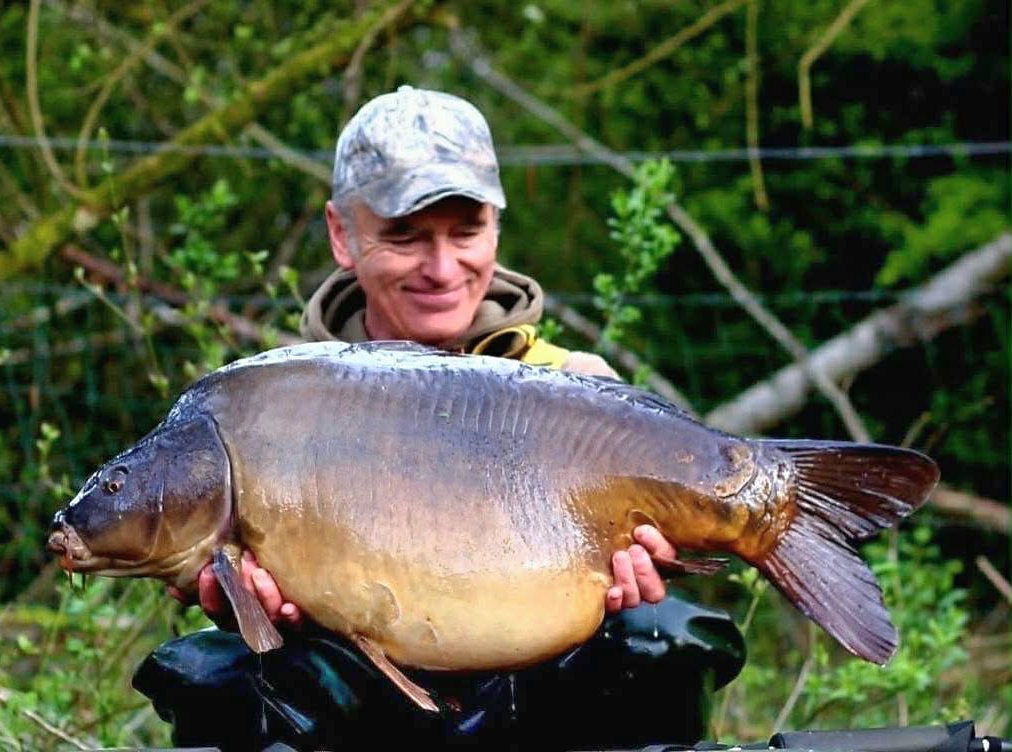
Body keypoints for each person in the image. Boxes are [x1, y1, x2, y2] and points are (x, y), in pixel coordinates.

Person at [133, 85, 745, 752]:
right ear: (343, 234)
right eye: (405, 235)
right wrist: (244, 604)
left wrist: (646, 567)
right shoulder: (270, 412)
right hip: (360, 693)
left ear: (497, 226)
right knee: (217, 675)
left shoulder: (578, 388)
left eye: (467, 231)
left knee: (663, 638)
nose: (442, 267)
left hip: (539, 684)